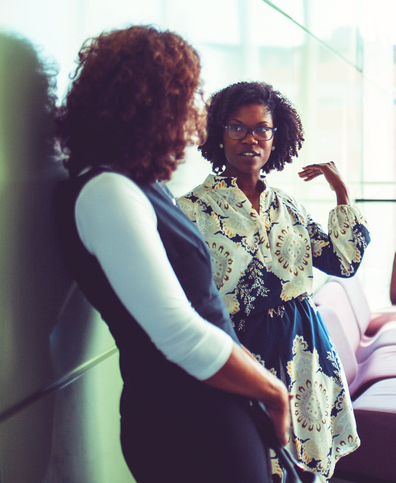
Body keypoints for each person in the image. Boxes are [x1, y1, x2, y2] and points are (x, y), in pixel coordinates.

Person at [55, 26, 290, 482]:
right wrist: (274, 392)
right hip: (187, 426)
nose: (196, 113)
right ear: (148, 106)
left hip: (208, 412)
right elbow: (181, 334)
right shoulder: (107, 191)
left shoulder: (137, 185)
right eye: (187, 98)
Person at [177, 81, 371, 480]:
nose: (251, 139)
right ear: (218, 134)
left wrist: (342, 194)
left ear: (274, 136)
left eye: (261, 129)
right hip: (244, 355)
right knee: (251, 466)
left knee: (309, 469)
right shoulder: (191, 210)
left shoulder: (288, 205)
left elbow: (344, 262)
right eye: (237, 127)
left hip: (305, 352)